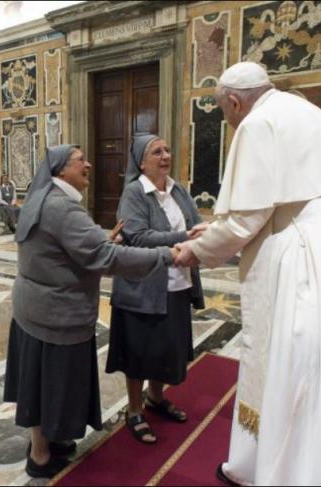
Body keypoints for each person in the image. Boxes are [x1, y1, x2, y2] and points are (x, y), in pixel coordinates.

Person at [173, 62, 321, 486]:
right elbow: (284, 200)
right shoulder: (302, 110)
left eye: (224, 113)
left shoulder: (256, 123)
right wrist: (217, 229)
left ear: (233, 101)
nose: (228, 123)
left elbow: (246, 222)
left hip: (315, 252)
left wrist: (197, 249)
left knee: (301, 364)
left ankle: (290, 472)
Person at [4, 144, 178, 478]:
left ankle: (48, 443)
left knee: (39, 383)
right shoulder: (64, 209)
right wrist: (168, 256)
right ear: (60, 170)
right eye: (80, 160)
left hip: (33, 310)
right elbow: (108, 260)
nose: (89, 164)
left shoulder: (42, 198)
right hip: (56, 315)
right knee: (48, 387)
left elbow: (60, 248)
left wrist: (98, 241)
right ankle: (40, 456)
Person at [107, 134, 208, 444]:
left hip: (177, 284)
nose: (165, 155)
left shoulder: (178, 189)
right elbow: (136, 236)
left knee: (165, 348)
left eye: (167, 149)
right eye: (157, 152)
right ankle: (135, 410)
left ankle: (155, 397)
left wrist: (197, 233)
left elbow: (196, 222)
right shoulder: (134, 192)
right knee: (139, 351)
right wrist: (182, 236)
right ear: (141, 161)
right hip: (142, 288)